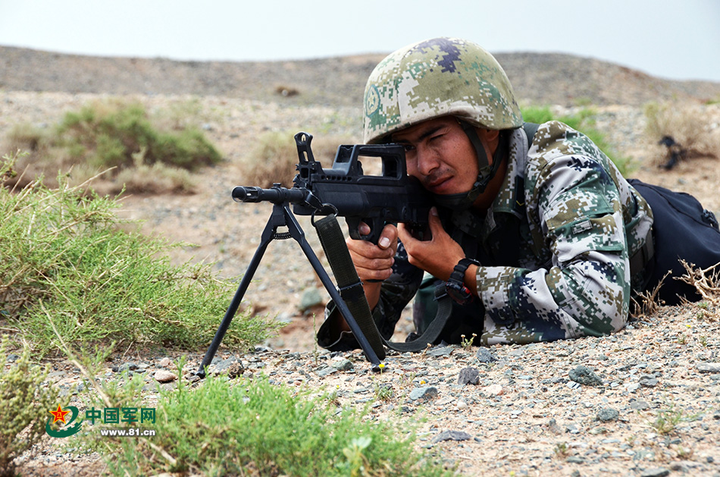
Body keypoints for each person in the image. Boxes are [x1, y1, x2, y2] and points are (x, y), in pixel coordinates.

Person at [316, 37, 719, 351]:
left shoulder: (561, 161)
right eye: (405, 148)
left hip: (672, 274)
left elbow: (600, 305)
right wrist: (365, 282)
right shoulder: (422, 191)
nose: (424, 165)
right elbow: (359, 343)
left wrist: (462, 273)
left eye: (436, 138)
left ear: (487, 126)